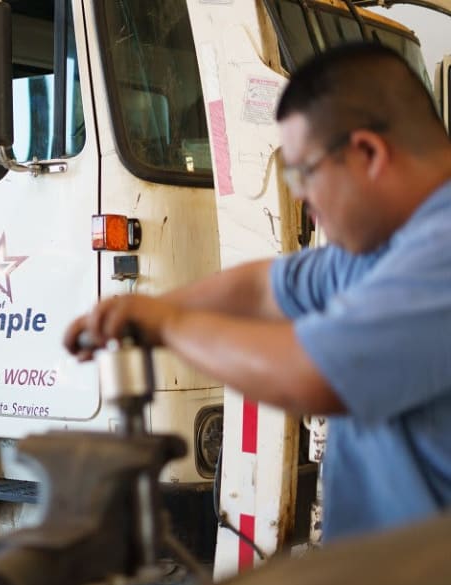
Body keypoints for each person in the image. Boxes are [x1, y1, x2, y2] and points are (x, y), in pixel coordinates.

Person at [64, 42, 451, 542]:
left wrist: (170, 325)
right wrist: (148, 308)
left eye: (304, 173)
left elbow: (311, 376)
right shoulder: (385, 247)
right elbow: (264, 288)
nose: (300, 197)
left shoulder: (440, 250)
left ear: (368, 153)